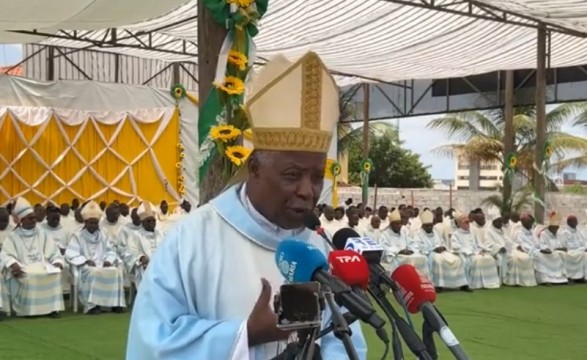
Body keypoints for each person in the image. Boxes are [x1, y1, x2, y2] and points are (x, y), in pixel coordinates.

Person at [126, 52, 367, 359]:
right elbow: (152, 341)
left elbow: (346, 338)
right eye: (292, 175)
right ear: (254, 167)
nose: (308, 191)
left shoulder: (321, 247)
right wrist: (246, 334)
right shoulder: (190, 241)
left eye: (317, 176)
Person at [1, 197, 64, 317]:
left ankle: (52, 309)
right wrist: (14, 264)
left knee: (54, 274)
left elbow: (54, 251)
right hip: (23, 267)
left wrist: (57, 262)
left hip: (42, 265)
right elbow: (6, 254)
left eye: (34, 218)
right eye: (30, 218)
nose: (34, 220)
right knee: (29, 276)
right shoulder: (13, 236)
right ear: (21, 220)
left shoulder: (42, 233)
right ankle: (29, 311)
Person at [66, 201, 126, 314]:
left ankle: (115, 304)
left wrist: (108, 260)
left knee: (115, 271)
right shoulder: (78, 236)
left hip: (102, 263)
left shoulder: (103, 234)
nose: (94, 225)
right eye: (91, 223)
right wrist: (85, 260)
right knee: (94, 272)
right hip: (85, 267)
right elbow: (71, 253)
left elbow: (110, 250)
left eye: (96, 223)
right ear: (86, 223)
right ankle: (92, 306)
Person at [414, 210, 470, 292]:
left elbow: (442, 242)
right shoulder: (418, 234)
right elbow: (417, 247)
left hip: (441, 252)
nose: (430, 227)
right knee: (439, 261)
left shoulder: (435, 232)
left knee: (457, 260)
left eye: (431, 225)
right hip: (430, 254)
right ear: (423, 225)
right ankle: (439, 285)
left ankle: (462, 284)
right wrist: (432, 249)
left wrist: (443, 247)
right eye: (427, 226)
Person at [485, 208, 536, 287]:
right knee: (514, 259)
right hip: (500, 252)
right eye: (498, 221)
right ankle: (511, 281)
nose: (500, 223)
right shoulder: (489, 231)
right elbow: (488, 244)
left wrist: (517, 246)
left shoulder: (502, 230)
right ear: (494, 222)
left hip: (509, 249)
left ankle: (526, 280)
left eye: (500, 221)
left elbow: (508, 241)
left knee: (526, 257)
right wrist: (499, 248)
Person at [450, 214, 500, 289]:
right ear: (460, 224)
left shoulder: (472, 232)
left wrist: (481, 250)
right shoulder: (456, 234)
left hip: (475, 252)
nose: (468, 224)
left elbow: (477, 244)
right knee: (478, 260)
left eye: (468, 222)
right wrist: (470, 252)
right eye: (466, 222)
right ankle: (477, 284)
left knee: (490, 258)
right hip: (466, 254)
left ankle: (491, 283)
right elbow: (455, 247)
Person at [521, 212, 567, 285]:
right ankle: (544, 279)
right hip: (531, 252)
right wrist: (541, 249)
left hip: (540, 250)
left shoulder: (532, 232)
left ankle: (558, 279)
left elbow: (538, 243)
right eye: (528, 223)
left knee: (556, 256)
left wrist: (543, 249)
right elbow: (523, 245)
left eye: (530, 223)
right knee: (541, 257)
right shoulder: (520, 232)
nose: (530, 224)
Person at [125, 202, 164, 287]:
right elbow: (130, 252)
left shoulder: (161, 234)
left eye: (153, 220)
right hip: (145, 266)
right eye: (148, 221)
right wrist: (141, 258)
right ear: (142, 222)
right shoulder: (135, 235)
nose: (151, 223)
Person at [381, 209, 429, 276]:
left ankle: (421, 281)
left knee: (423, 258)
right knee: (403, 261)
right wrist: (399, 251)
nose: (400, 225)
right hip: (394, 257)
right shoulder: (384, 234)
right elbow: (384, 249)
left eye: (400, 223)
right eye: (397, 224)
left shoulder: (403, 232)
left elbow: (411, 243)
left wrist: (410, 250)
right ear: (391, 224)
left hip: (406, 255)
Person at [557, 214, 586, 282]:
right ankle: (571, 277)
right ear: (569, 222)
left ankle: (581, 277)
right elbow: (567, 246)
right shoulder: (564, 233)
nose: (576, 223)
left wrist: (584, 247)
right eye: (574, 221)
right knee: (582, 255)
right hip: (570, 251)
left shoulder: (579, 232)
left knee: (584, 255)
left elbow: (583, 242)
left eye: (576, 221)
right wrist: (582, 248)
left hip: (580, 250)